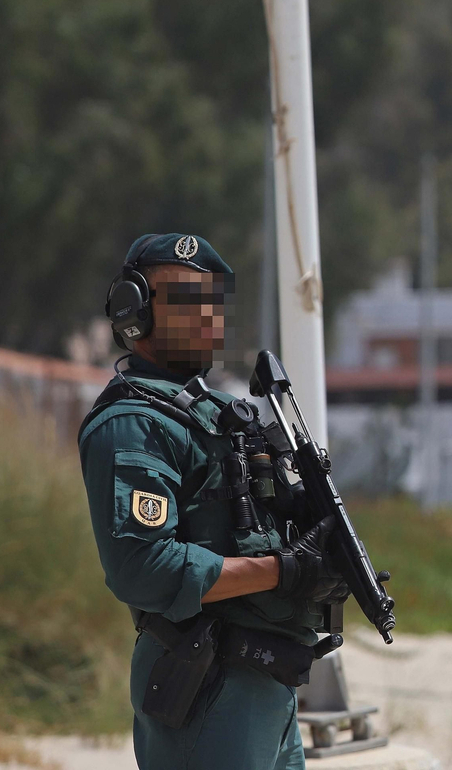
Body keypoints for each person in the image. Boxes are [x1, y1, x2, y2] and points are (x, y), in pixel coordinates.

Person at [79, 235, 349, 770]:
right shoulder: (134, 423)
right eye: (186, 300)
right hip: (207, 684)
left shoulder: (219, 412)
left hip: (269, 682)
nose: (207, 316)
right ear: (134, 309)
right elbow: (143, 567)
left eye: (213, 301)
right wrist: (282, 571)